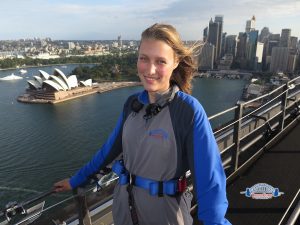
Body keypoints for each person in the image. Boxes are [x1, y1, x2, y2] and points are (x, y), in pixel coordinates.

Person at [54, 23, 231, 225]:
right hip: (123, 212)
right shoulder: (133, 104)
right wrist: (76, 180)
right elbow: (108, 153)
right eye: (144, 58)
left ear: (175, 62)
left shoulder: (187, 111)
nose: (150, 69)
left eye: (160, 61)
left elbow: (209, 181)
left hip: (165, 216)